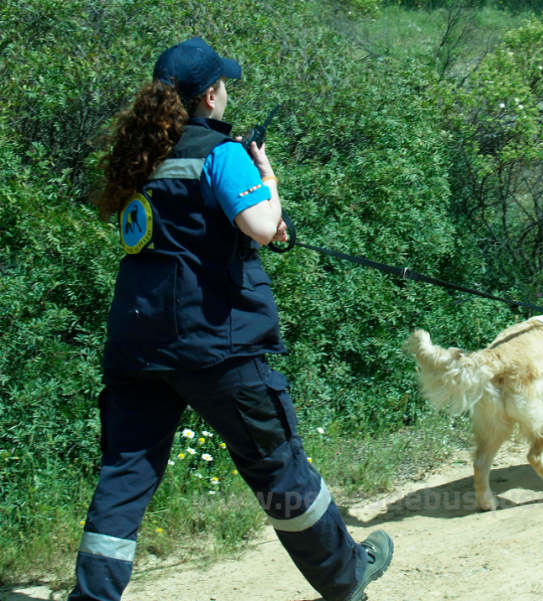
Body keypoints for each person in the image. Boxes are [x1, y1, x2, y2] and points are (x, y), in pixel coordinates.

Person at [69, 37, 392, 601]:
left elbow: (174, 234)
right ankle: (347, 576)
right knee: (279, 468)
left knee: (124, 478)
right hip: (215, 346)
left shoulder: (138, 158)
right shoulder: (222, 152)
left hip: (137, 345)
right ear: (211, 95)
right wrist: (266, 181)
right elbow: (264, 228)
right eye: (223, 86)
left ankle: (91, 597)